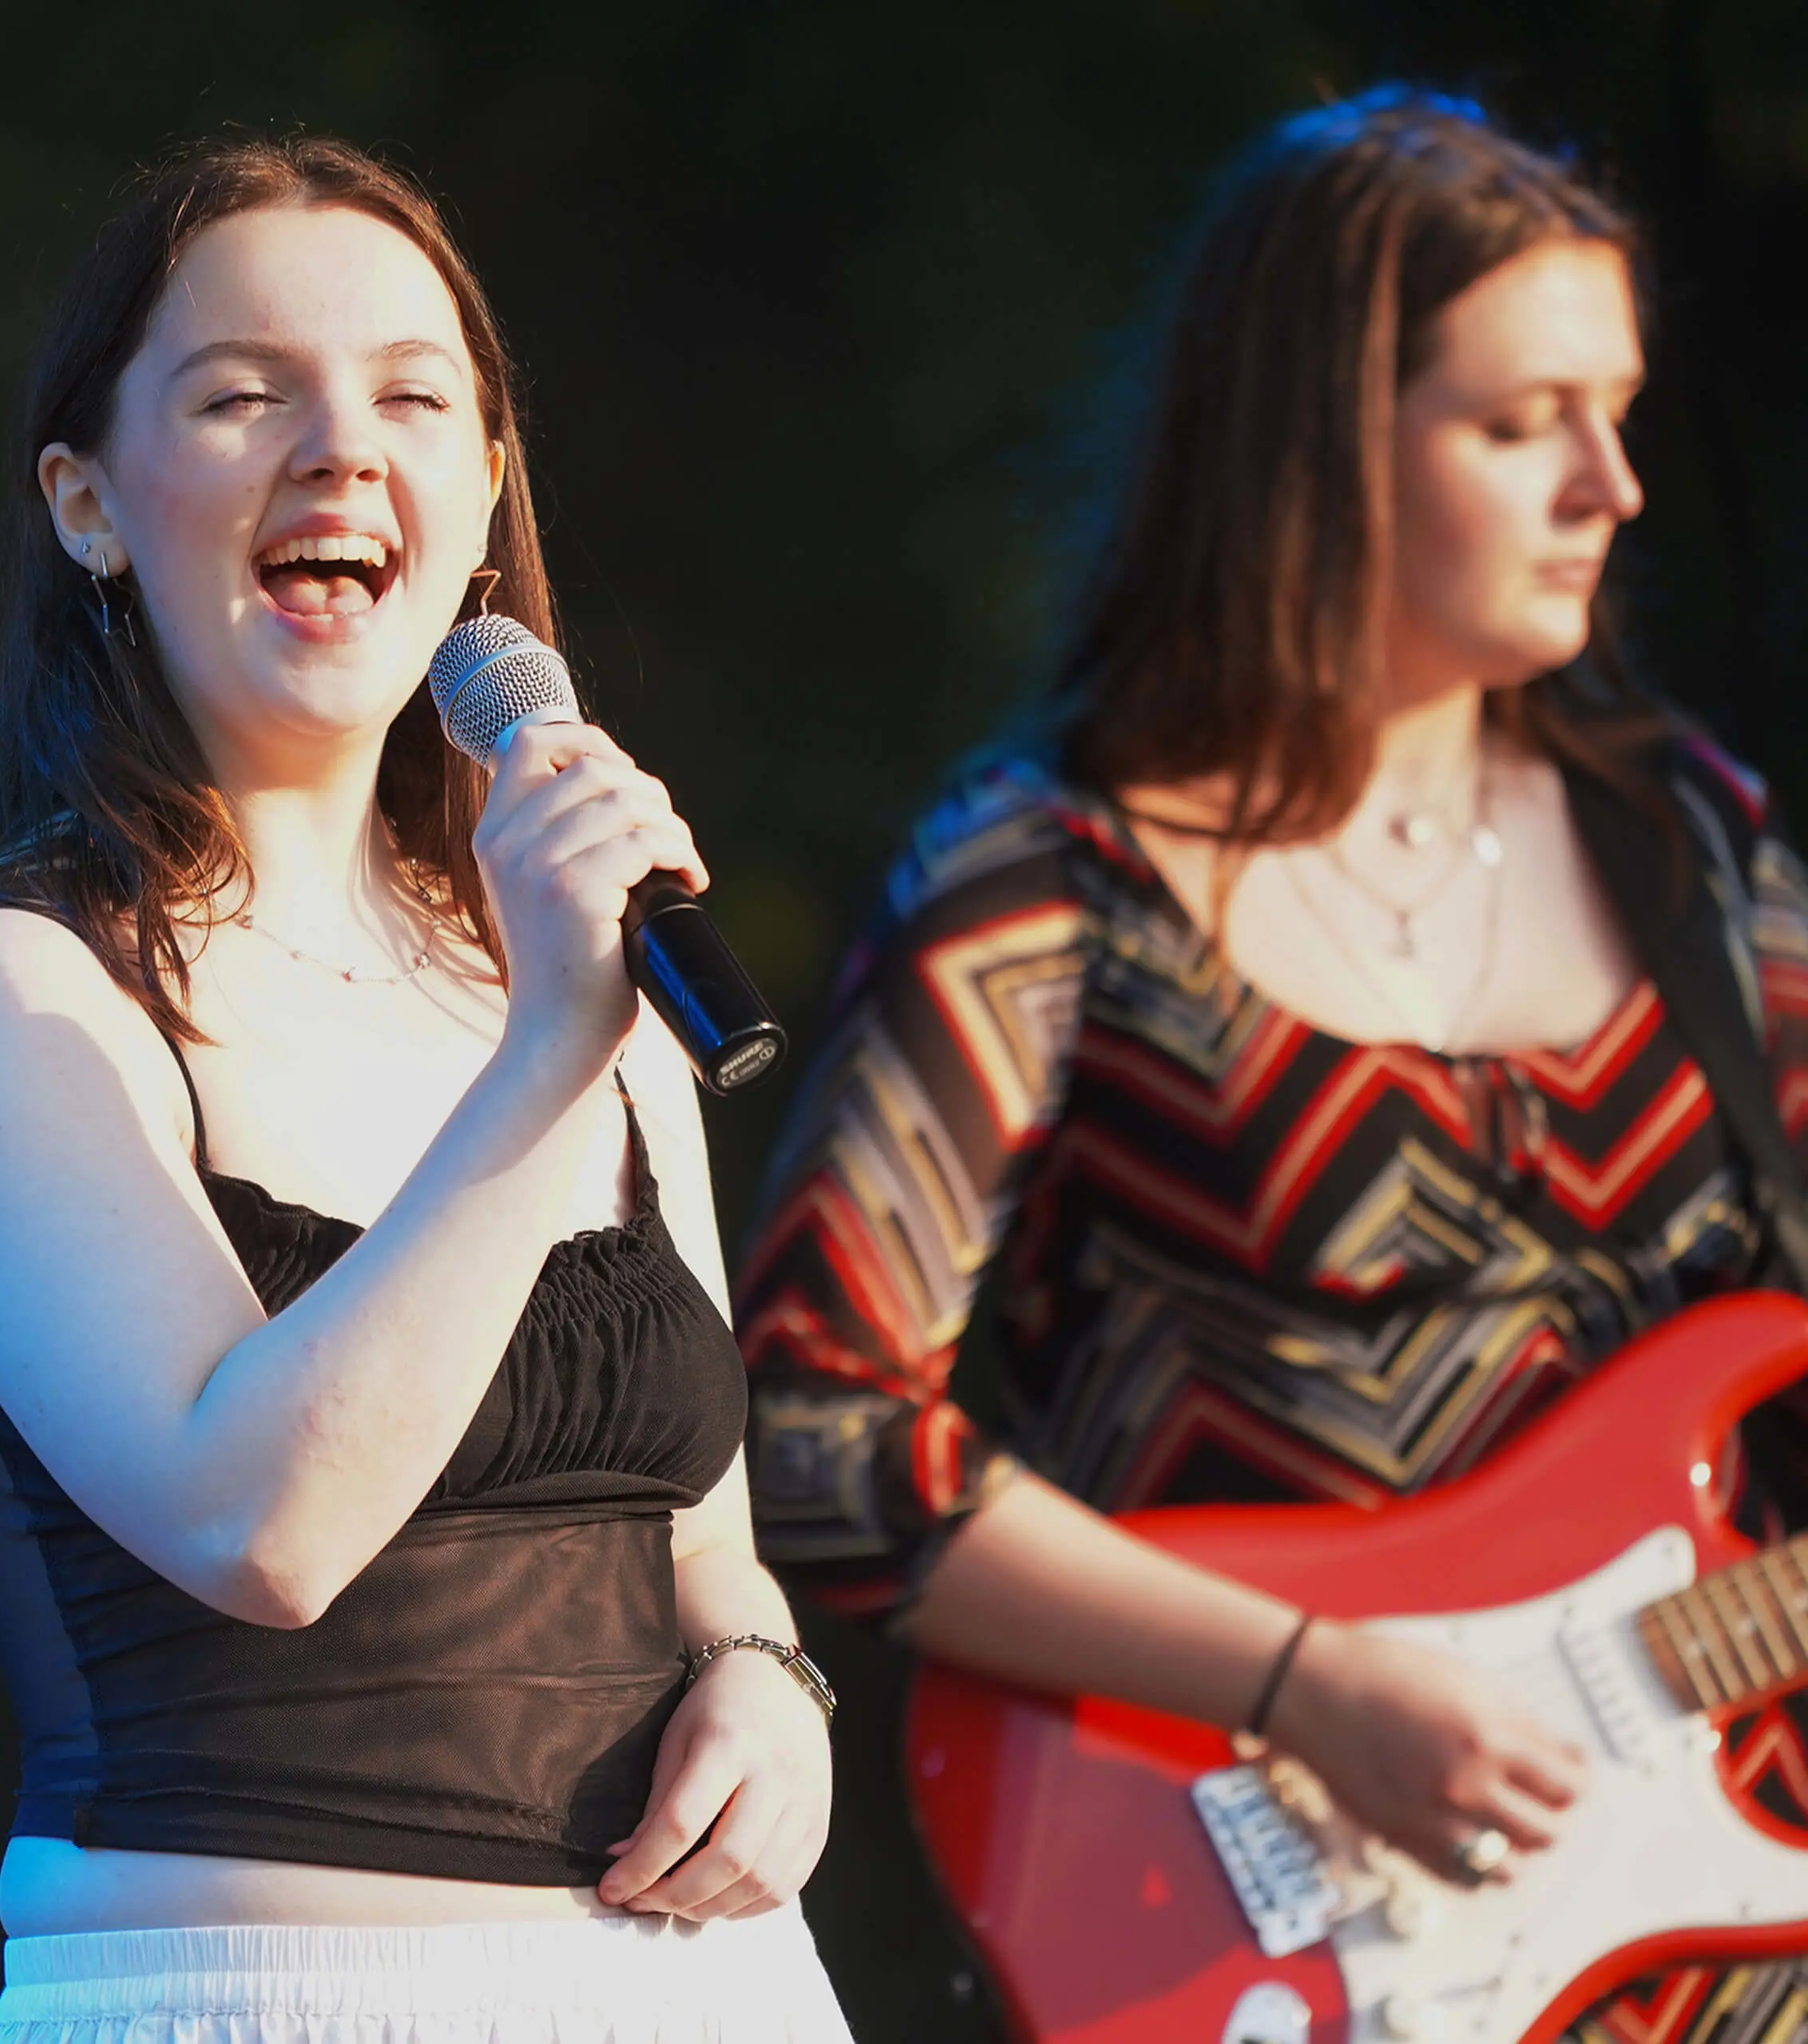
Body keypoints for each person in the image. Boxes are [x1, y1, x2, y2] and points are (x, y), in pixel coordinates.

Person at [735, 88, 1808, 2042]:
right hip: (1269, 1936)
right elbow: (810, 1429)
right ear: (1318, 448)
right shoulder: (1047, 888)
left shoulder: (1697, 852)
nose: (1610, 485)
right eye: (1518, 422)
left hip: (1729, 1937)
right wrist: (1302, 1676)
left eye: (1619, 410)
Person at [0, 136, 848, 2044]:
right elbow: (263, 1522)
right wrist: (548, 1049)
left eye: (408, 395)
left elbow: (706, 1542)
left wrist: (778, 1696)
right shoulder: (6, 997)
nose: (340, 446)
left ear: (481, 499)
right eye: (240, 395)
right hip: (257, 1990)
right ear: (89, 503)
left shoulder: (585, 982)